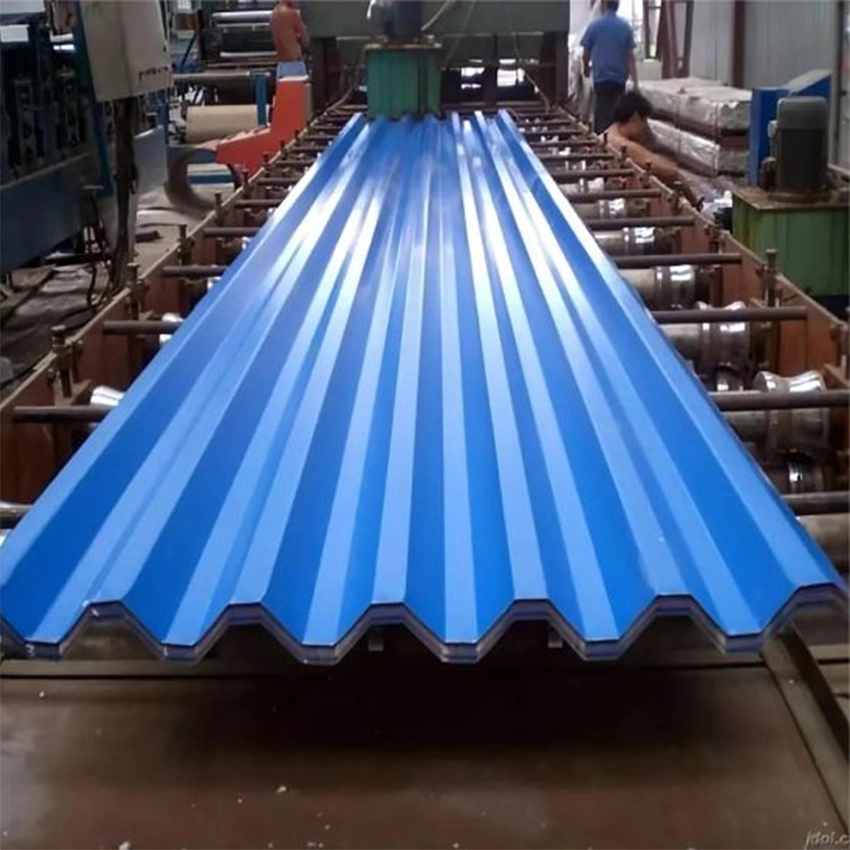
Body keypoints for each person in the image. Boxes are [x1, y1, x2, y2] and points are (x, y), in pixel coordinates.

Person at [606, 90, 701, 206]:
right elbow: (670, 172)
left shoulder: (610, 133)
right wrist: (693, 200)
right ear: (635, 118)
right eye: (644, 121)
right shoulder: (622, 144)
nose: (645, 127)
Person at [581, 0, 638, 133]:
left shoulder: (594, 26)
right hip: (619, 81)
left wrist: (586, 69)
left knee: (602, 114)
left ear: (604, 4)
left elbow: (585, 53)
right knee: (617, 116)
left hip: (601, 79)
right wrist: (635, 82)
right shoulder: (625, 27)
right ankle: (615, 141)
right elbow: (630, 57)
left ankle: (602, 141)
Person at [271, 0, 309, 79]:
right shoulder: (292, 14)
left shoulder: (274, 14)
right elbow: (305, 39)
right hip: (294, 65)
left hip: (281, 66)